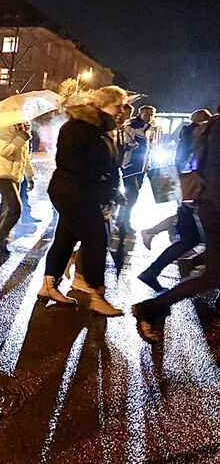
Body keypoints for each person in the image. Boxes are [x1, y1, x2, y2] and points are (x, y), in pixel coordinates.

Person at [38, 86, 129, 315]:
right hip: (73, 193)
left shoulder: (102, 129)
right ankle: (97, 294)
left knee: (65, 238)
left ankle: (48, 285)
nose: (122, 110)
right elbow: (69, 161)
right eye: (118, 105)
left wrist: (113, 189)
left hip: (82, 192)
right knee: (97, 238)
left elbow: (110, 165)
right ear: (103, 104)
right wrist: (99, 181)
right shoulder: (79, 127)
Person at [133, 106, 219, 343]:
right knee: (205, 264)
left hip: (201, 200)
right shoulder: (208, 132)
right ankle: (151, 305)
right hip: (207, 203)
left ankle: (164, 275)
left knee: (193, 243)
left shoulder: (207, 130)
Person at [134, 108, 213, 292]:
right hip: (197, 194)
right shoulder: (202, 138)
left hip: (190, 193)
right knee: (193, 237)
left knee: (190, 238)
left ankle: (154, 271)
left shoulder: (192, 135)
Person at [0, 122, 35, 254]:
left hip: (15, 175)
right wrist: (21, 138)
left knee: (5, 210)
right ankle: (1, 240)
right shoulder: (5, 127)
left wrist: (30, 175)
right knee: (15, 208)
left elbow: (24, 157)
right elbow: (4, 151)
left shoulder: (23, 130)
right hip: (3, 174)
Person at [117, 104, 157, 234]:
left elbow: (151, 147)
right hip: (129, 165)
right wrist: (130, 146)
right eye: (146, 114)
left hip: (142, 166)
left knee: (133, 194)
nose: (149, 117)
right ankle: (124, 221)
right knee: (132, 193)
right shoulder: (131, 127)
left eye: (151, 114)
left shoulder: (152, 129)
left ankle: (121, 219)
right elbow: (125, 144)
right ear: (140, 114)